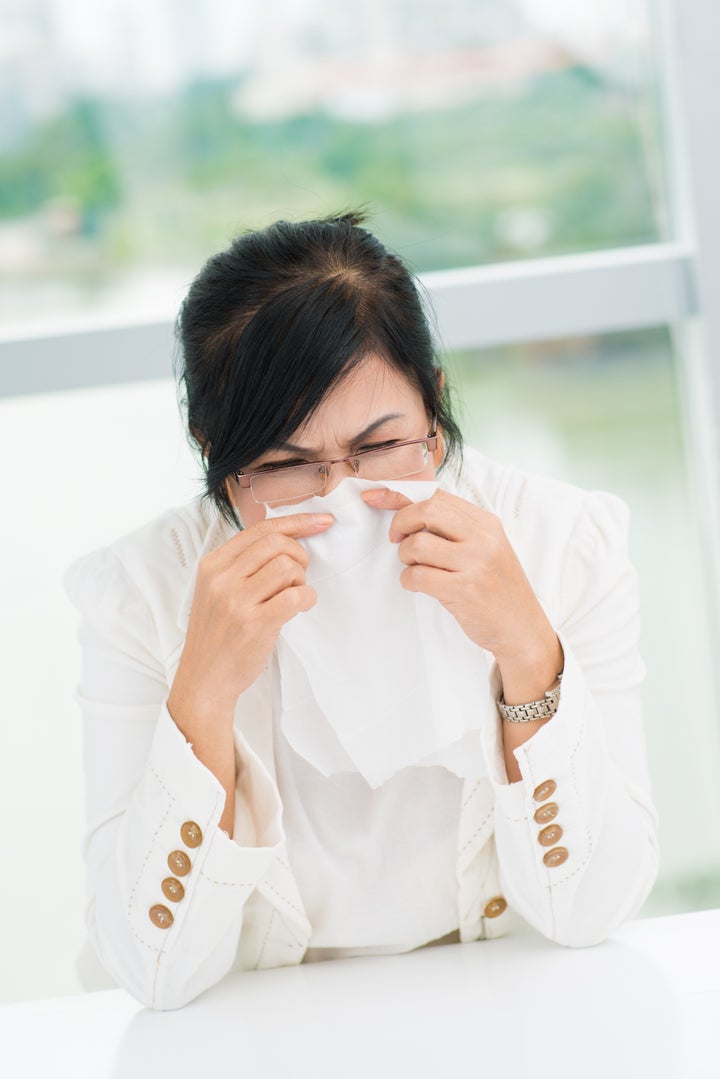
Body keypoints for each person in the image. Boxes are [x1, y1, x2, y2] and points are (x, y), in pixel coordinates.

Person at [63, 211, 659, 1011]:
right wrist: (201, 693)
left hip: (508, 1019)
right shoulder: (138, 594)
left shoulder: (563, 542)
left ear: (434, 404)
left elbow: (594, 908)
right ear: (218, 455)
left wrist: (527, 647)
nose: (342, 498)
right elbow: (152, 969)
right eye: (284, 463)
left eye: (380, 447)